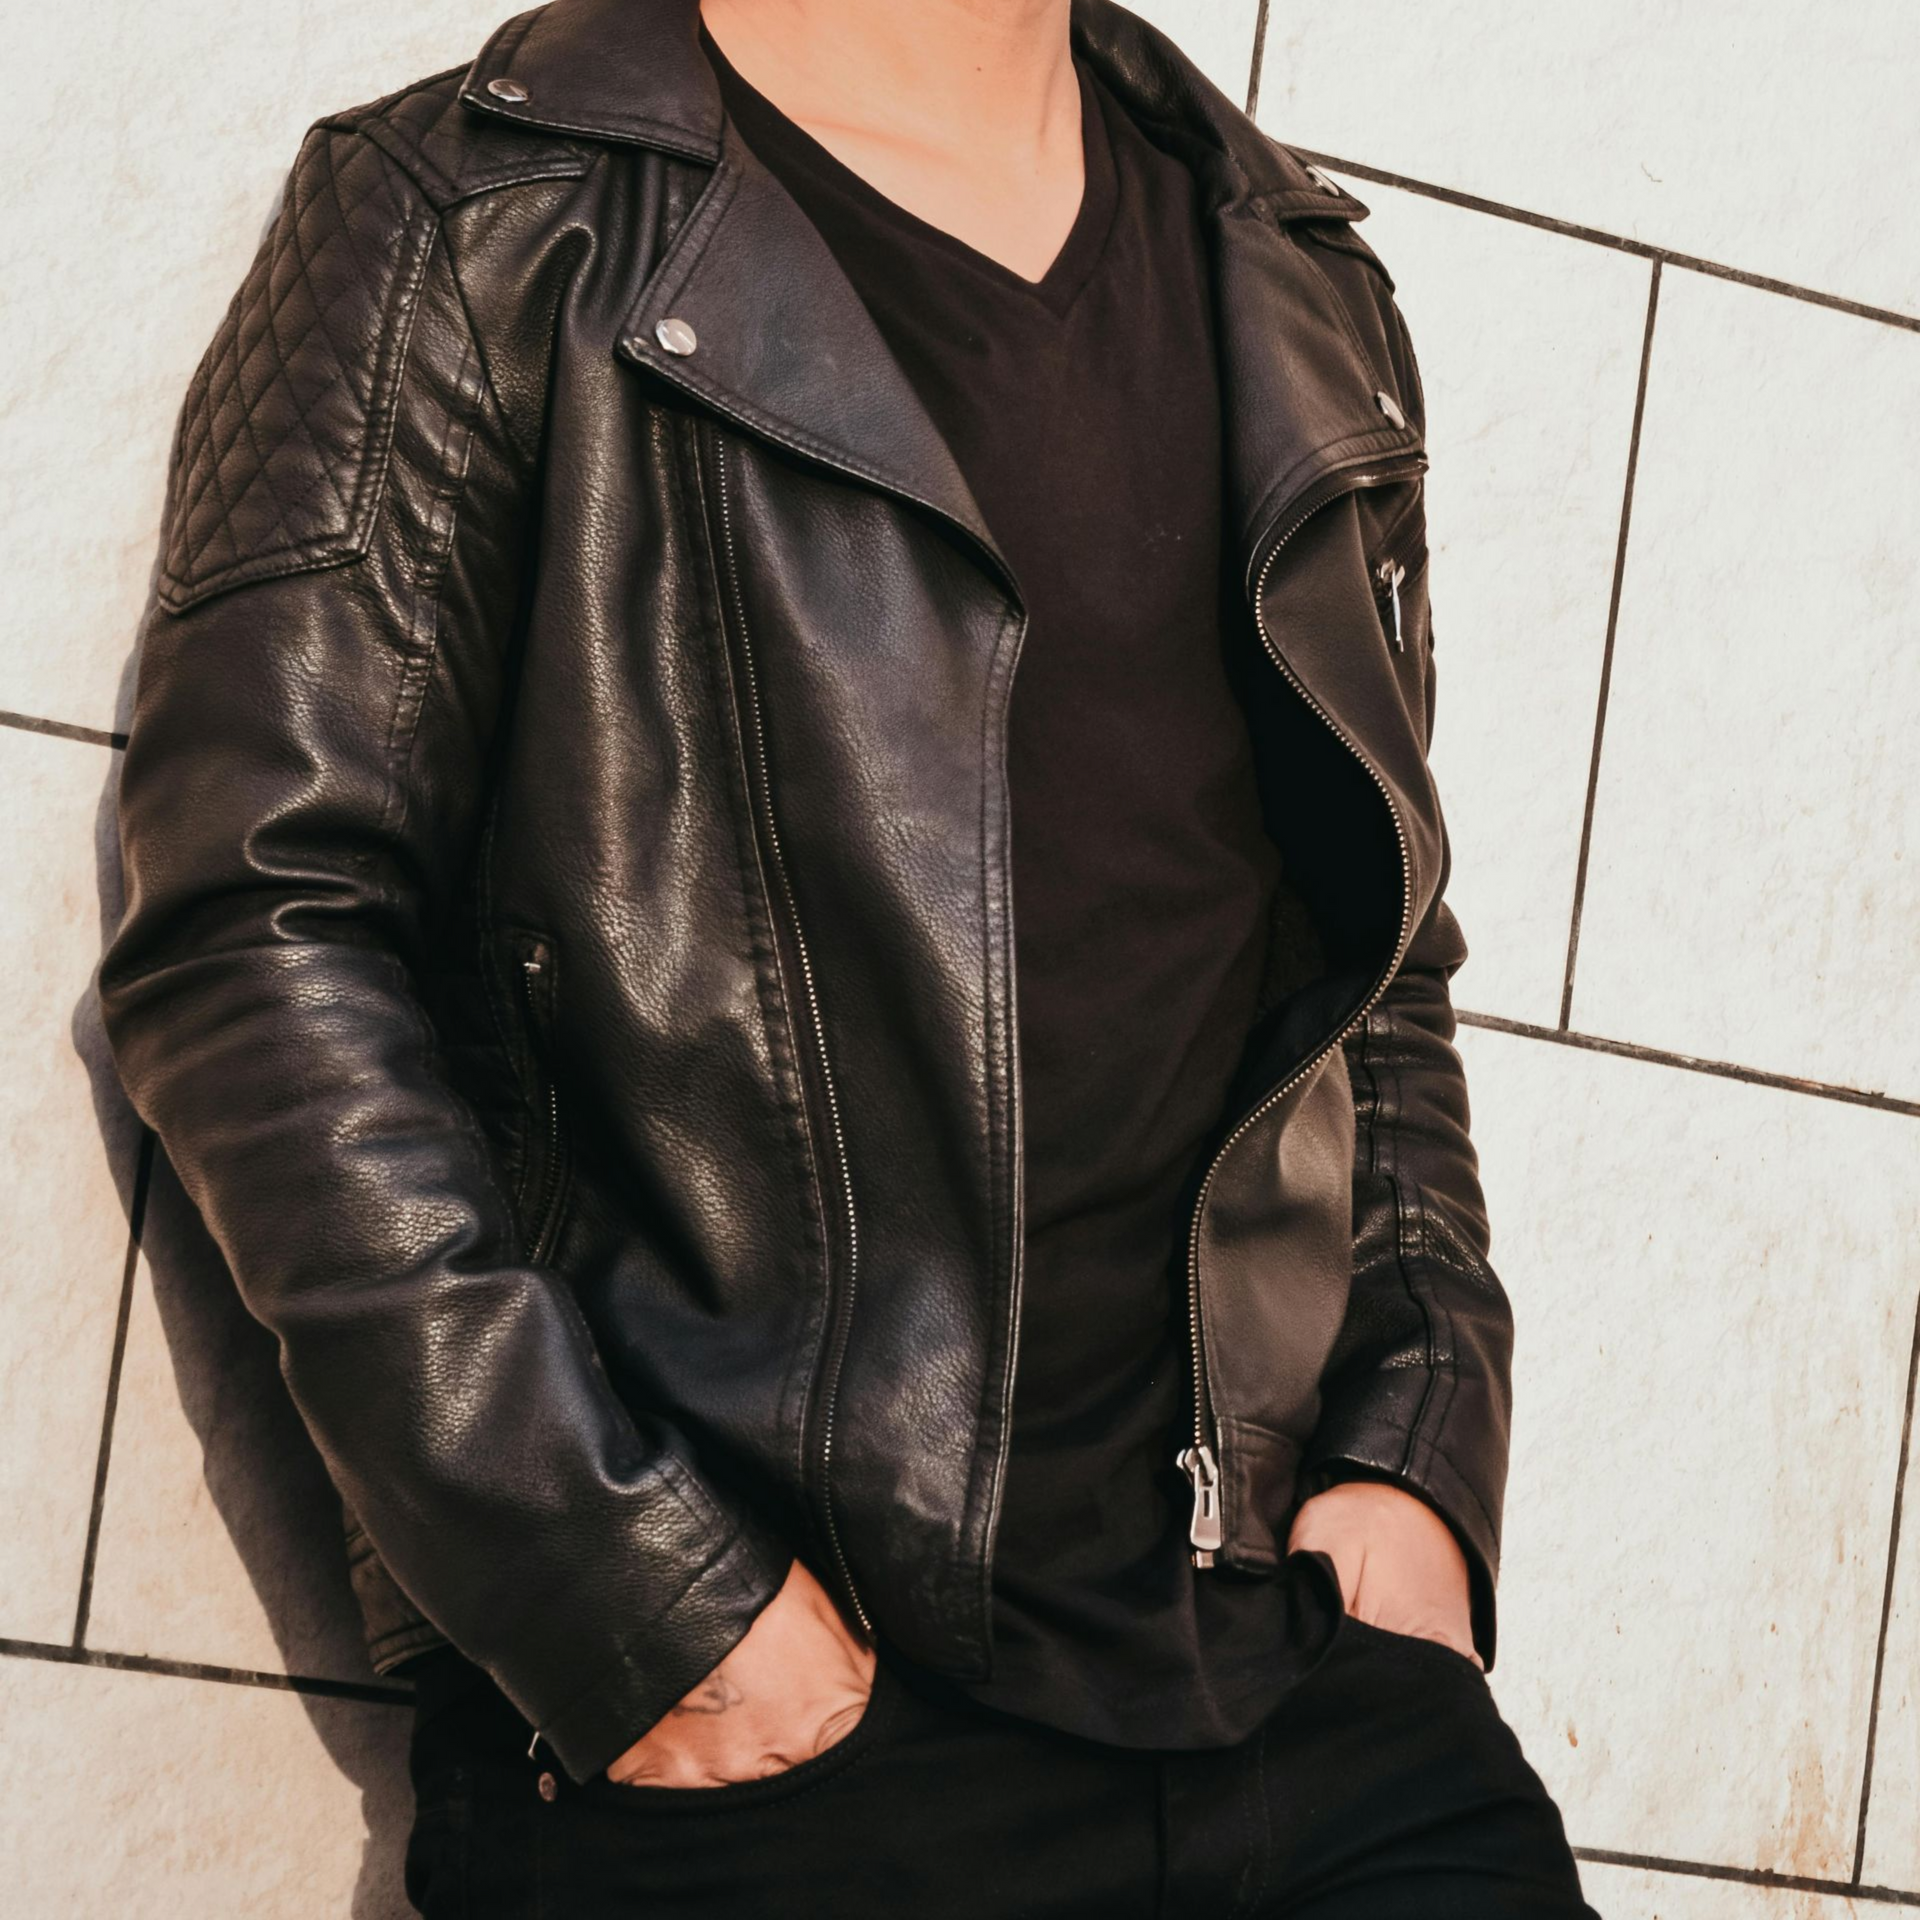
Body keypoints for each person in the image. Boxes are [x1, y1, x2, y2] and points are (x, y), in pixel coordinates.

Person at [100, 0, 1600, 1911]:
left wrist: (1418, 1459)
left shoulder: (1294, 277)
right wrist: (629, 1598)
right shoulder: (478, 213)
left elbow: (1372, 951)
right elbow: (259, 923)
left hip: (1308, 1703)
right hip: (780, 1753)